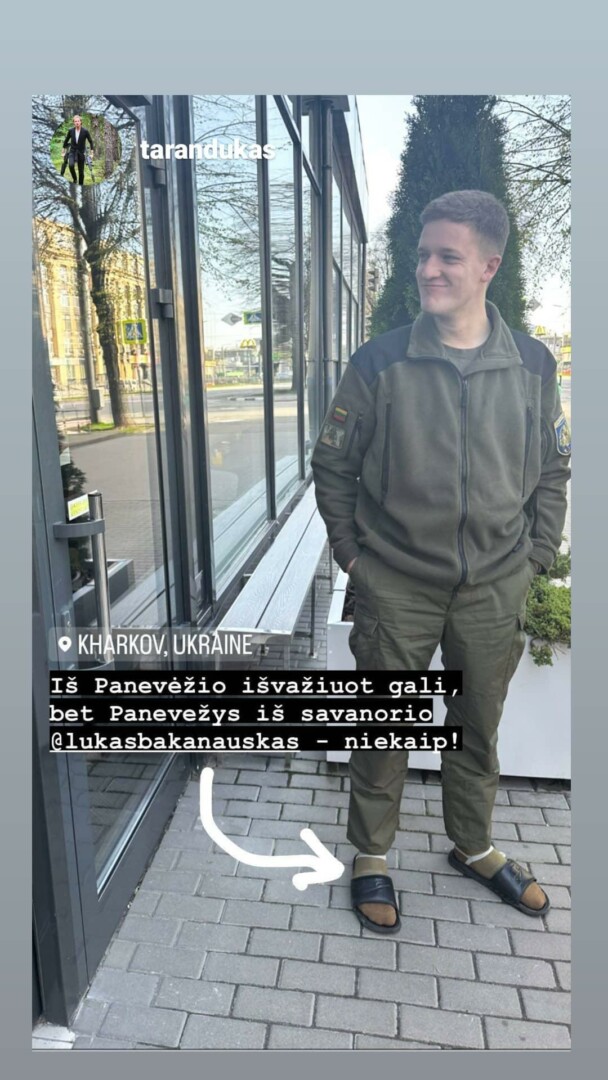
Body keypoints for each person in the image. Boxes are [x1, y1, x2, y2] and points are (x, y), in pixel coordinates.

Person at [311, 189, 571, 934]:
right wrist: (355, 558)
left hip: (494, 586)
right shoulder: (380, 362)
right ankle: (371, 854)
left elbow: (554, 468)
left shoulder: (532, 364)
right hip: (396, 583)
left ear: (489, 266)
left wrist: (535, 557)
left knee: (478, 724)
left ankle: (473, 845)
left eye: (447, 256)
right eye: (423, 254)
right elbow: (332, 466)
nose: (427, 269)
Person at [62, 115, 94, 186]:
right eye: (75, 121)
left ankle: (80, 185)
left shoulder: (85, 131)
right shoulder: (71, 131)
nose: (77, 123)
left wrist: (92, 153)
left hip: (81, 153)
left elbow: (91, 141)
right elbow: (66, 141)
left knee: (81, 172)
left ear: (80, 122)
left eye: (78, 121)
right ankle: (75, 179)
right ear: (73, 122)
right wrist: (63, 152)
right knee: (71, 165)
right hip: (72, 151)